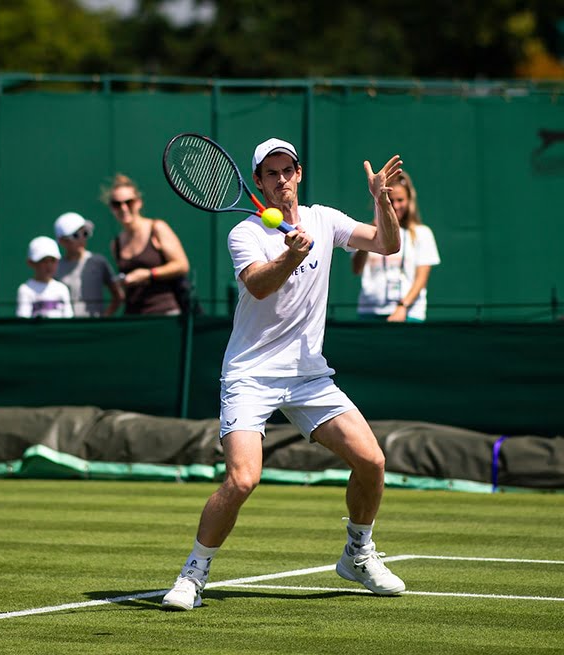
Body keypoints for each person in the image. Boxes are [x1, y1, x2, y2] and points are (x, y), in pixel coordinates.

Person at [161, 138, 406, 611]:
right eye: (269, 174)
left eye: (286, 171)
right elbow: (258, 284)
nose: (280, 180)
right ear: (258, 182)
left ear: (298, 174)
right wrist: (291, 255)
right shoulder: (245, 234)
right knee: (243, 479)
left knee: (372, 462)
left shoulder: (325, 219)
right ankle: (193, 573)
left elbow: (387, 244)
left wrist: (382, 201)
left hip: (308, 374)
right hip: (251, 373)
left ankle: (357, 553)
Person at [352, 171, 440, 322]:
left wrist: (403, 307)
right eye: (391, 201)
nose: (396, 206)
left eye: (401, 200)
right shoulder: (367, 230)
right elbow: (356, 269)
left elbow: (421, 279)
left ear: (409, 201)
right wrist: (374, 230)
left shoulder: (422, 233)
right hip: (371, 311)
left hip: (409, 313)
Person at [107, 174, 190, 315]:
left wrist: (148, 274)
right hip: (134, 316)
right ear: (112, 208)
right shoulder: (116, 244)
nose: (123, 208)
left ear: (139, 202)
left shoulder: (157, 228)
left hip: (164, 312)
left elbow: (182, 265)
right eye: (117, 204)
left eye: (129, 202)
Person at [54, 212, 123, 317]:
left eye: (85, 233)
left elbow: (118, 295)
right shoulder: (56, 267)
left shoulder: (98, 262)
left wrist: (104, 317)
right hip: (67, 329)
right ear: (62, 241)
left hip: (95, 329)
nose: (82, 239)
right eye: (76, 235)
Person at [16, 236, 73, 318]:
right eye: (43, 261)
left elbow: (68, 320)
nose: (49, 265)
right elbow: (23, 322)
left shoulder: (62, 289)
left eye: (53, 260)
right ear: (31, 263)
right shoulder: (25, 290)